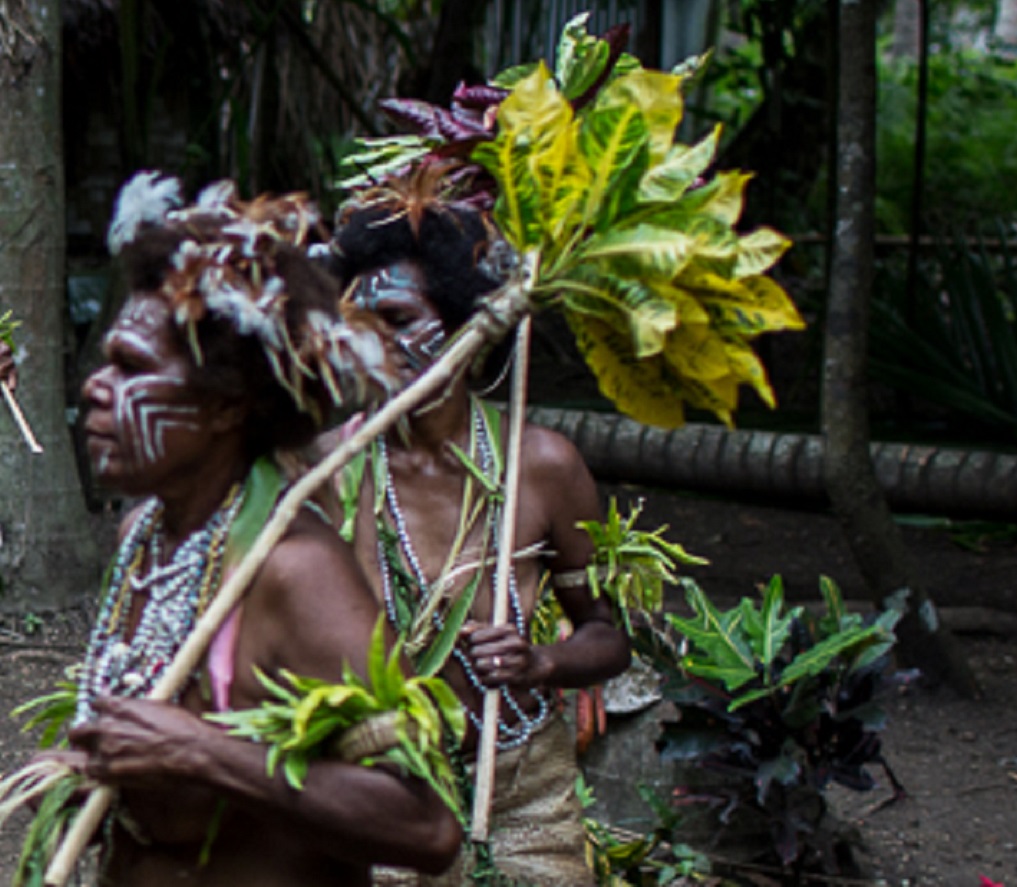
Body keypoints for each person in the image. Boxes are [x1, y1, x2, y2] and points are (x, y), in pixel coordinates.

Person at [51, 172, 462, 887]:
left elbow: (426, 824)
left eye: (131, 368)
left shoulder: (293, 570)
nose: (95, 387)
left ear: (225, 405)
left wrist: (206, 754)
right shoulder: (144, 536)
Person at [318, 192, 632, 886]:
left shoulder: (541, 466)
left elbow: (606, 636)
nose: (378, 343)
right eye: (360, 324)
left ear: (469, 324)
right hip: (383, 784)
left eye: (399, 320)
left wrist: (542, 662)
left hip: (526, 789)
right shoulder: (323, 473)